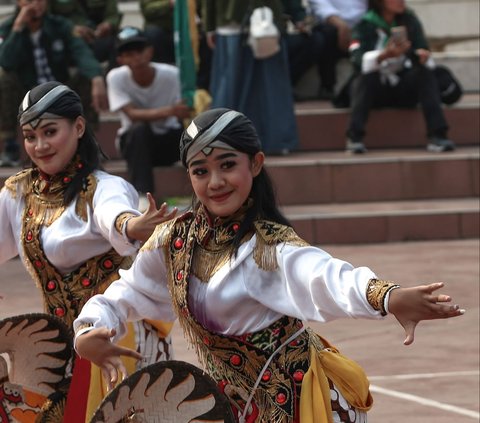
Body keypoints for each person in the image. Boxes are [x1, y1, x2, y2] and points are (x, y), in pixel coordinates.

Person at [73, 108, 465, 422]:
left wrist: (387, 297)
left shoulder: (269, 248)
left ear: (255, 164)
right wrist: (89, 327)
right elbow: (129, 291)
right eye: (200, 171)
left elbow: (326, 277)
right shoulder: (174, 241)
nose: (215, 182)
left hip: (299, 403)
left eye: (228, 165)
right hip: (230, 404)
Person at [0, 81, 177, 421]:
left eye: (50, 132)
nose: (40, 145)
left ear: (78, 127)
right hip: (60, 344)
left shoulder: (103, 188)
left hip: (115, 335)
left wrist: (132, 226)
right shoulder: (19, 192)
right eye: (30, 136)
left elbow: (114, 214)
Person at [0, 0, 109, 167]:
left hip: (58, 87)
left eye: (40, 0)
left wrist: (96, 77)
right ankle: (10, 146)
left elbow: (81, 52)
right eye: (29, 0)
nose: (35, 5)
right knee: (4, 78)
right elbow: (6, 61)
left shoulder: (60, 25)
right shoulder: (8, 28)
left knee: (88, 76)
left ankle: (89, 142)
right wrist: (18, 27)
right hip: (26, 91)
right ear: (18, 2)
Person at [345, 0, 455, 154]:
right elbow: (357, 61)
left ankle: (438, 135)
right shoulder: (364, 25)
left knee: (425, 73)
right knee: (364, 80)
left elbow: (422, 48)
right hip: (377, 89)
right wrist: (384, 56)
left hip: (404, 86)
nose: (401, 1)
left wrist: (421, 56)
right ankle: (354, 137)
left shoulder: (409, 21)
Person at [107, 26, 192, 211]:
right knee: (139, 129)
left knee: (192, 135)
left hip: (167, 141)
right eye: (128, 53)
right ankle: (142, 195)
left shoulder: (171, 75)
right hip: (133, 144)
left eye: (139, 50)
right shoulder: (115, 77)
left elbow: (184, 111)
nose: (136, 57)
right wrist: (169, 111)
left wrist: (174, 113)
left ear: (150, 51)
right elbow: (132, 114)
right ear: (120, 59)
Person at [201, 0, 300, 156]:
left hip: (260, 23)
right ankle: (231, 140)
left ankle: (226, 141)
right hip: (249, 22)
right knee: (265, 86)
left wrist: (210, 26)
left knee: (255, 86)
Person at [308, 0, 367, 100]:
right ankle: (327, 87)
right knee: (326, 34)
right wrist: (342, 26)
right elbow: (320, 6)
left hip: (364, 23)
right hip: (334, 26)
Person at [48, 0, 123, 70]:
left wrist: (108, 24)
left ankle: (111, 79)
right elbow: (46, 19)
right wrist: (70, 29)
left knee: (121, 41)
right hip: (66, 44)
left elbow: (112, 15)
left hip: (94, 39)